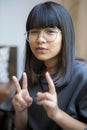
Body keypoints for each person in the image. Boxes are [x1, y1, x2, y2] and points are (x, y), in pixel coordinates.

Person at [12, 1, 87, 130]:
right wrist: (20, 111)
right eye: (34, 31)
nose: (40, 39)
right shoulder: (28, 77)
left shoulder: (83, 76)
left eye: (50, 31)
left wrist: (56, 114)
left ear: (65, 36)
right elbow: (20, 127)